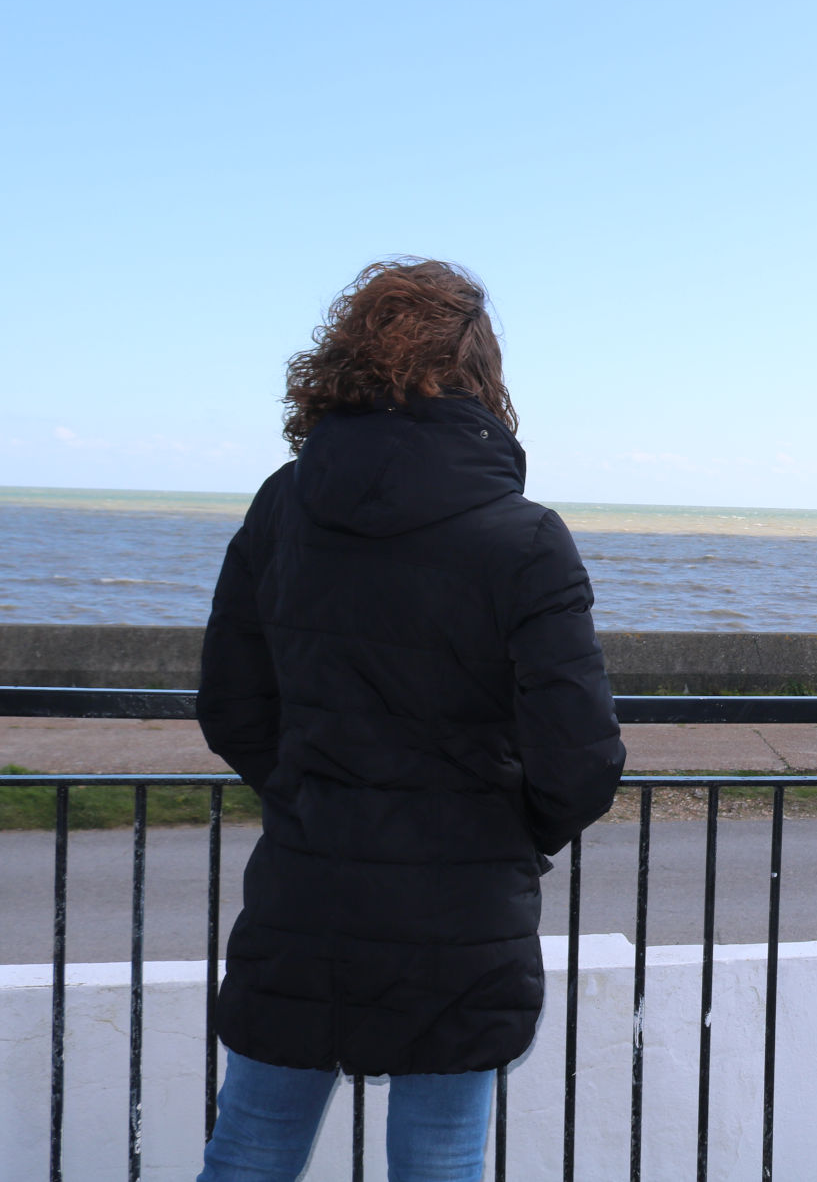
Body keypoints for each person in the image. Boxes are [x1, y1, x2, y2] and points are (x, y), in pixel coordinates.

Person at [194, 258, 626, 1181]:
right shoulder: (524, 536)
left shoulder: (283, 504)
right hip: (460, 915)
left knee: (250, 1153)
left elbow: (232, 701)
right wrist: (503, 831)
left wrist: (312, 792)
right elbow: (581, 761)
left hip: (303, 898)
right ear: (480, 374)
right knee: (439, 1160)